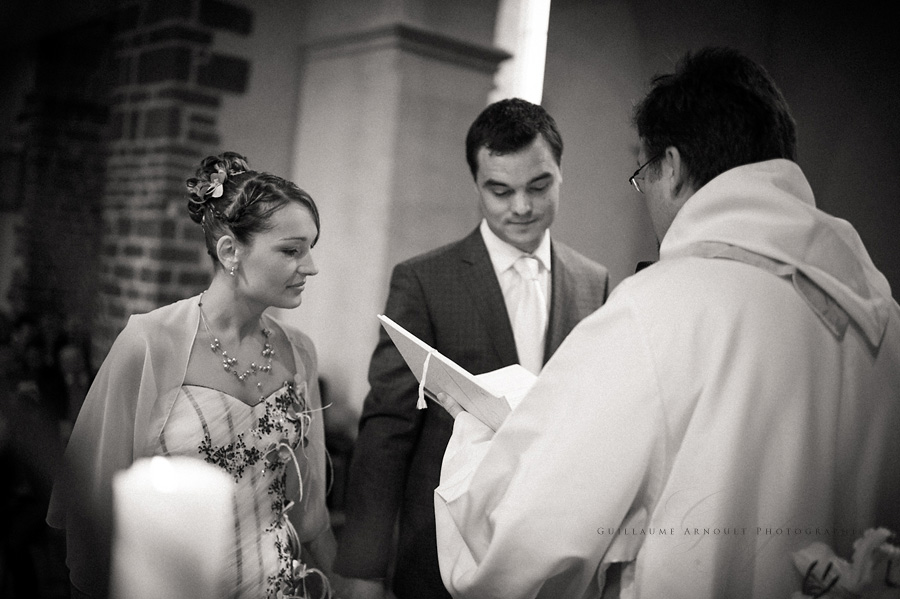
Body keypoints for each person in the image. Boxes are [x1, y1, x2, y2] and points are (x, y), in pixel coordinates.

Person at [432, 47, 900, 599]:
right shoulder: (883, 318)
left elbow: (513, 548)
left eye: (643, 175)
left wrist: (476, 434)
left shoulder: (659, 309)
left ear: (671, 167)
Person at [333, 98, 610, 599]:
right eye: (500, 191)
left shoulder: (594, 283)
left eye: (539, 185)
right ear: (476, 185)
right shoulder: (424, 280)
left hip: (555, 554)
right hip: (444, 549)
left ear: (561, 173)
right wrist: (364, 567)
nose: (521, 207)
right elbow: (387, 428)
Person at [47, 152, 336, 599]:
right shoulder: (150, 342)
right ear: (230, 252)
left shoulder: (299, 352)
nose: (311, 267)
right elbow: (93, 505)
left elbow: (310, 514)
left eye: (311, 248)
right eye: (291, 250)